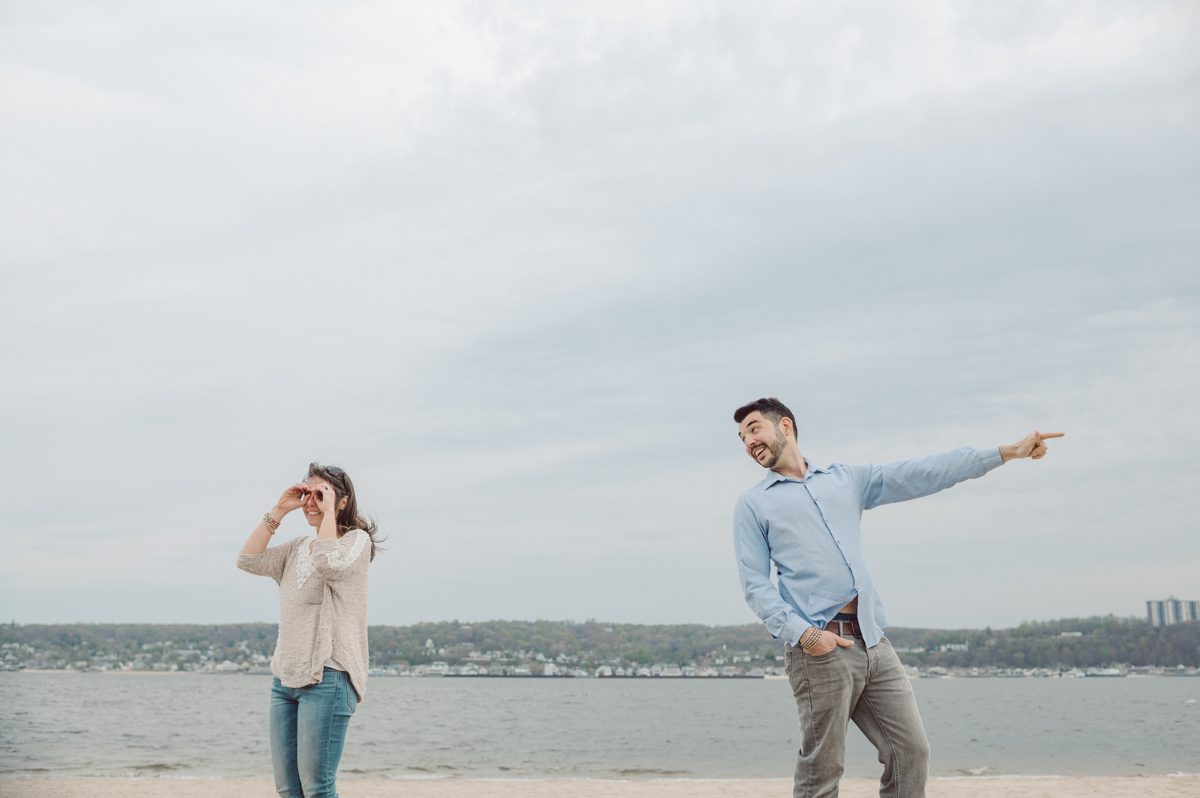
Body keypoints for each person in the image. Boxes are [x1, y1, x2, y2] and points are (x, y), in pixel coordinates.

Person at [731, 397, 1063, 798]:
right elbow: (755, 584)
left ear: (785, 426)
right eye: (742, 437)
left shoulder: (844, 479)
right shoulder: (754, 504)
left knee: (910, 751)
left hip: (873, 641)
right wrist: (806, 635)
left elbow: (923, 472)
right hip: (818, 649)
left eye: (753, 428)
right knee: (822, 768)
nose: (748, 442)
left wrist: (1005, 453)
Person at [237, 463, 381, 798]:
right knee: (288, 789)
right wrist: (280, 510)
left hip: (328, 677)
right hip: (284, 679)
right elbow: (248, 560)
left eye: (321, 494)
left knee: (318, 788)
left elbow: (330, 565)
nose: (311, 502)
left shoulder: (356, 543)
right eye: (307, 493)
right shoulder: (297, 547)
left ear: (342, 502)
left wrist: (328, 513)